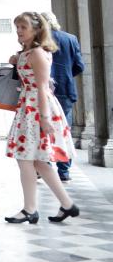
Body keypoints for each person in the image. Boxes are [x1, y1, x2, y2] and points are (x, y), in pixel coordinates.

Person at [4, 12, 79, 224]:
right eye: (17, 27)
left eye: (23, 27)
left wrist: (45, 118)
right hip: (29, 106)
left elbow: (43, 87)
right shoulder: (29, 52)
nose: (18, 31)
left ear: (36, 30)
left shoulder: (37, 52)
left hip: (37, 107)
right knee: (37, 160)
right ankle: (67, 205)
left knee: (26, 159)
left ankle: (30, 209)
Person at [40, 10, 85, 182]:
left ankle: (45, 167)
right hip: (65, 88)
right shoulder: (70, 39)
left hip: (43, 91)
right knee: (64, 129)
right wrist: (65, 75)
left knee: (43, 129)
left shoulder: (38, 41)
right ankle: (64, 170)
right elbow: (79, 66)